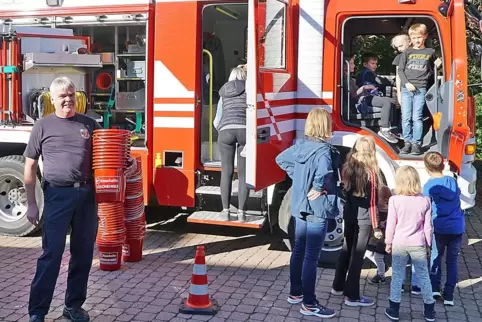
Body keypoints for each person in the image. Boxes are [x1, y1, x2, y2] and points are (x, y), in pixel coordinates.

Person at [25, 77, 101, 322]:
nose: (67, 99)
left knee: (83, 254)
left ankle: (73, 307)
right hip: (57, 195)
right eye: (62, 96)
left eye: (71, 94)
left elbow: (105, 156)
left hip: (87, 196)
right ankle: (37, 312)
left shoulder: (90, 124)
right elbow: (30, 166)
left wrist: (126, 160)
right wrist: (32, 203)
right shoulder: (42, 126)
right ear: (52, 99)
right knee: (52, 254)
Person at [276, 108, 339, 319]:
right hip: (317, 207)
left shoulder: (300, 146)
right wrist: (318, 186)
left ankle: (295, 293)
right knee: (312, 256)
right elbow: (324, 172)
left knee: (298, 251)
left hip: (300, 206)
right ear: (325, 125)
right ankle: (309, 303)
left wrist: (299, 178)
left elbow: (280, 159)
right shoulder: (323, 151)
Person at [331, 136, 382, 307]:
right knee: (358, 256)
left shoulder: (347, 168)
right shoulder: (371, 173)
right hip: (365, 218)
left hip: (350, 215)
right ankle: (352, 296)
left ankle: (337, 286)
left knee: (346, 250)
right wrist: (377, 226)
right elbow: (373, 203)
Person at [384, 166, 436, 322]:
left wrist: (388, 242)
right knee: (423, 277)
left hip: (399, 243)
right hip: (418, 243)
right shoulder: (425, 200)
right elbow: (428, 226)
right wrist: (428, 244)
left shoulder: (394, 200)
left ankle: (394, 309)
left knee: (397, 276)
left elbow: (391, 224)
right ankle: (429, 310)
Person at [423, 152, 465, 306]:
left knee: (436, 257)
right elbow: (458, 194)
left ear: (426, 168)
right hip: (456, 227)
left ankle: (434, 288)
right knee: (452, 261)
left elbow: (425, 206)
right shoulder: (452, 182)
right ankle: (449, 296)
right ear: (443, 165)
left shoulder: (428, 186)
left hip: (439, 227)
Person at [397, 23, 442, 155]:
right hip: (407, 89)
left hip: (421, 88)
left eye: (419, 37)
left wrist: (439, 65)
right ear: (410, 39)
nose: (417, 40)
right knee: (406, 117)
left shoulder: (430, 52)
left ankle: (417, 143)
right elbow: (400, 70)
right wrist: (406, 84)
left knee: (417, 117)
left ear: (425, 36)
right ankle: (407, 142)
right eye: (414, 38)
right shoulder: (407, 52)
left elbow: (435, 68)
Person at [213, 65, 249, 222]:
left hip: (226, 131)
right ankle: (242, 213)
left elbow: (216, 121)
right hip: (244, 132)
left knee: (226, 172)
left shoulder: (223, 93)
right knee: (243, 174)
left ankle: (226, 211)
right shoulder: (249, 91)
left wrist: (222, 129)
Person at [355, 53, 400, 144]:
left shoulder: (368, 73)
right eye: (372, 63)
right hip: (366, 98)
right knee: (386, 102)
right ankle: (384, 128)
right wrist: (393, 82)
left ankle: (393, 128)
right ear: (365, 64)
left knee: (392, 101)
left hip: (372, 96)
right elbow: (379, 81)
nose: (375, 65)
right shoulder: (367, 73)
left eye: (376, 63)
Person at [365, 185, 392, 284]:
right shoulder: (377, 209)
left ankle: (381, 275)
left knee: (378, 256)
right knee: (368, 252)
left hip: (382, 238)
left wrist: (382, 224)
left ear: (385, 199)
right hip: (375, 237)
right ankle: (383, 267)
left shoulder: (389, 211)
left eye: (378, 198)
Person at [391, 33, 412, 105]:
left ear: (409, 42)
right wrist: (399, 94)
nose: (399, 49)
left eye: (401, 46)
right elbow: (398, 76)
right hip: (405, 88)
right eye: (397, 47)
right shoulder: (399, 58)